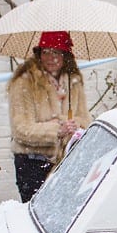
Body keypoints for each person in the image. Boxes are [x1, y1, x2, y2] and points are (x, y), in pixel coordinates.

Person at [7, 31, 94, 202]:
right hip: (33, 163)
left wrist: (75, 125)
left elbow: (85, 119)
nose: (51, 57)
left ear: (65, 55)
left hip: (66, 161)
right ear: (38, 54)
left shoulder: (73, 81)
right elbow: (21, 129)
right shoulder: (24, 83)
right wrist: (57, 129)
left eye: (56, 52)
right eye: (46, 51)